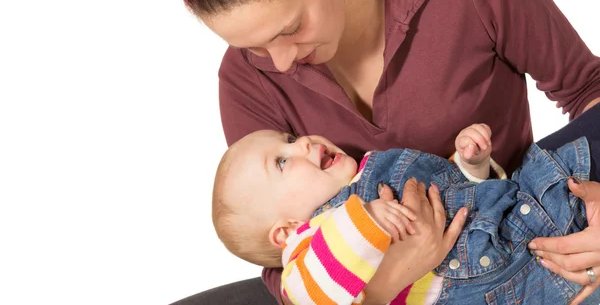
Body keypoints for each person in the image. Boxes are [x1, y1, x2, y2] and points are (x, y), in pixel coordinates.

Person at [159, 0, 600, 303]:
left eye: (289, 28)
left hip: (535, 229)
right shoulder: (245, 81)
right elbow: (283, 258)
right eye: (252, 47)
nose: (281, 61)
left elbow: (587, 90)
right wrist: (387, 283)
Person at [212, 125, 597, 304]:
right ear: (285, 232)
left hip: (528, 206)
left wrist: (471, 164)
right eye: (282, 161)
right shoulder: (304, 254)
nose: (304, 144)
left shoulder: (372, 169)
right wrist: (368, 221)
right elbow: (317, 292)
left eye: (290, 139)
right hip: (509, 285)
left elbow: (459, 196)